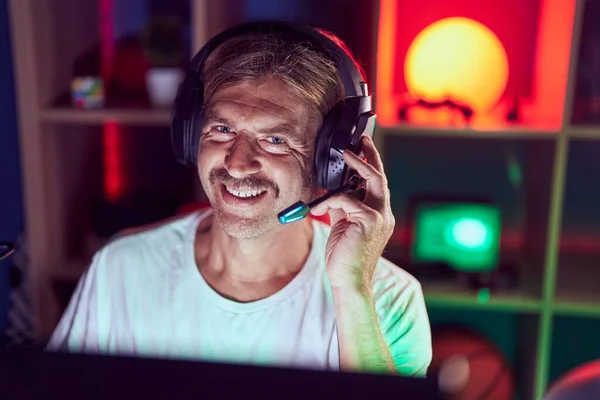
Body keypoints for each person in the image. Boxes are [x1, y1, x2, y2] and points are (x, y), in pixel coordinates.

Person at [46, 21, 432, 377]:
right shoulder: (121, 270)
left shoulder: (387, 300)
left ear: (329, 161)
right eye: (222, 128)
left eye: (275, 140)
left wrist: (352, 290)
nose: (237, 163)